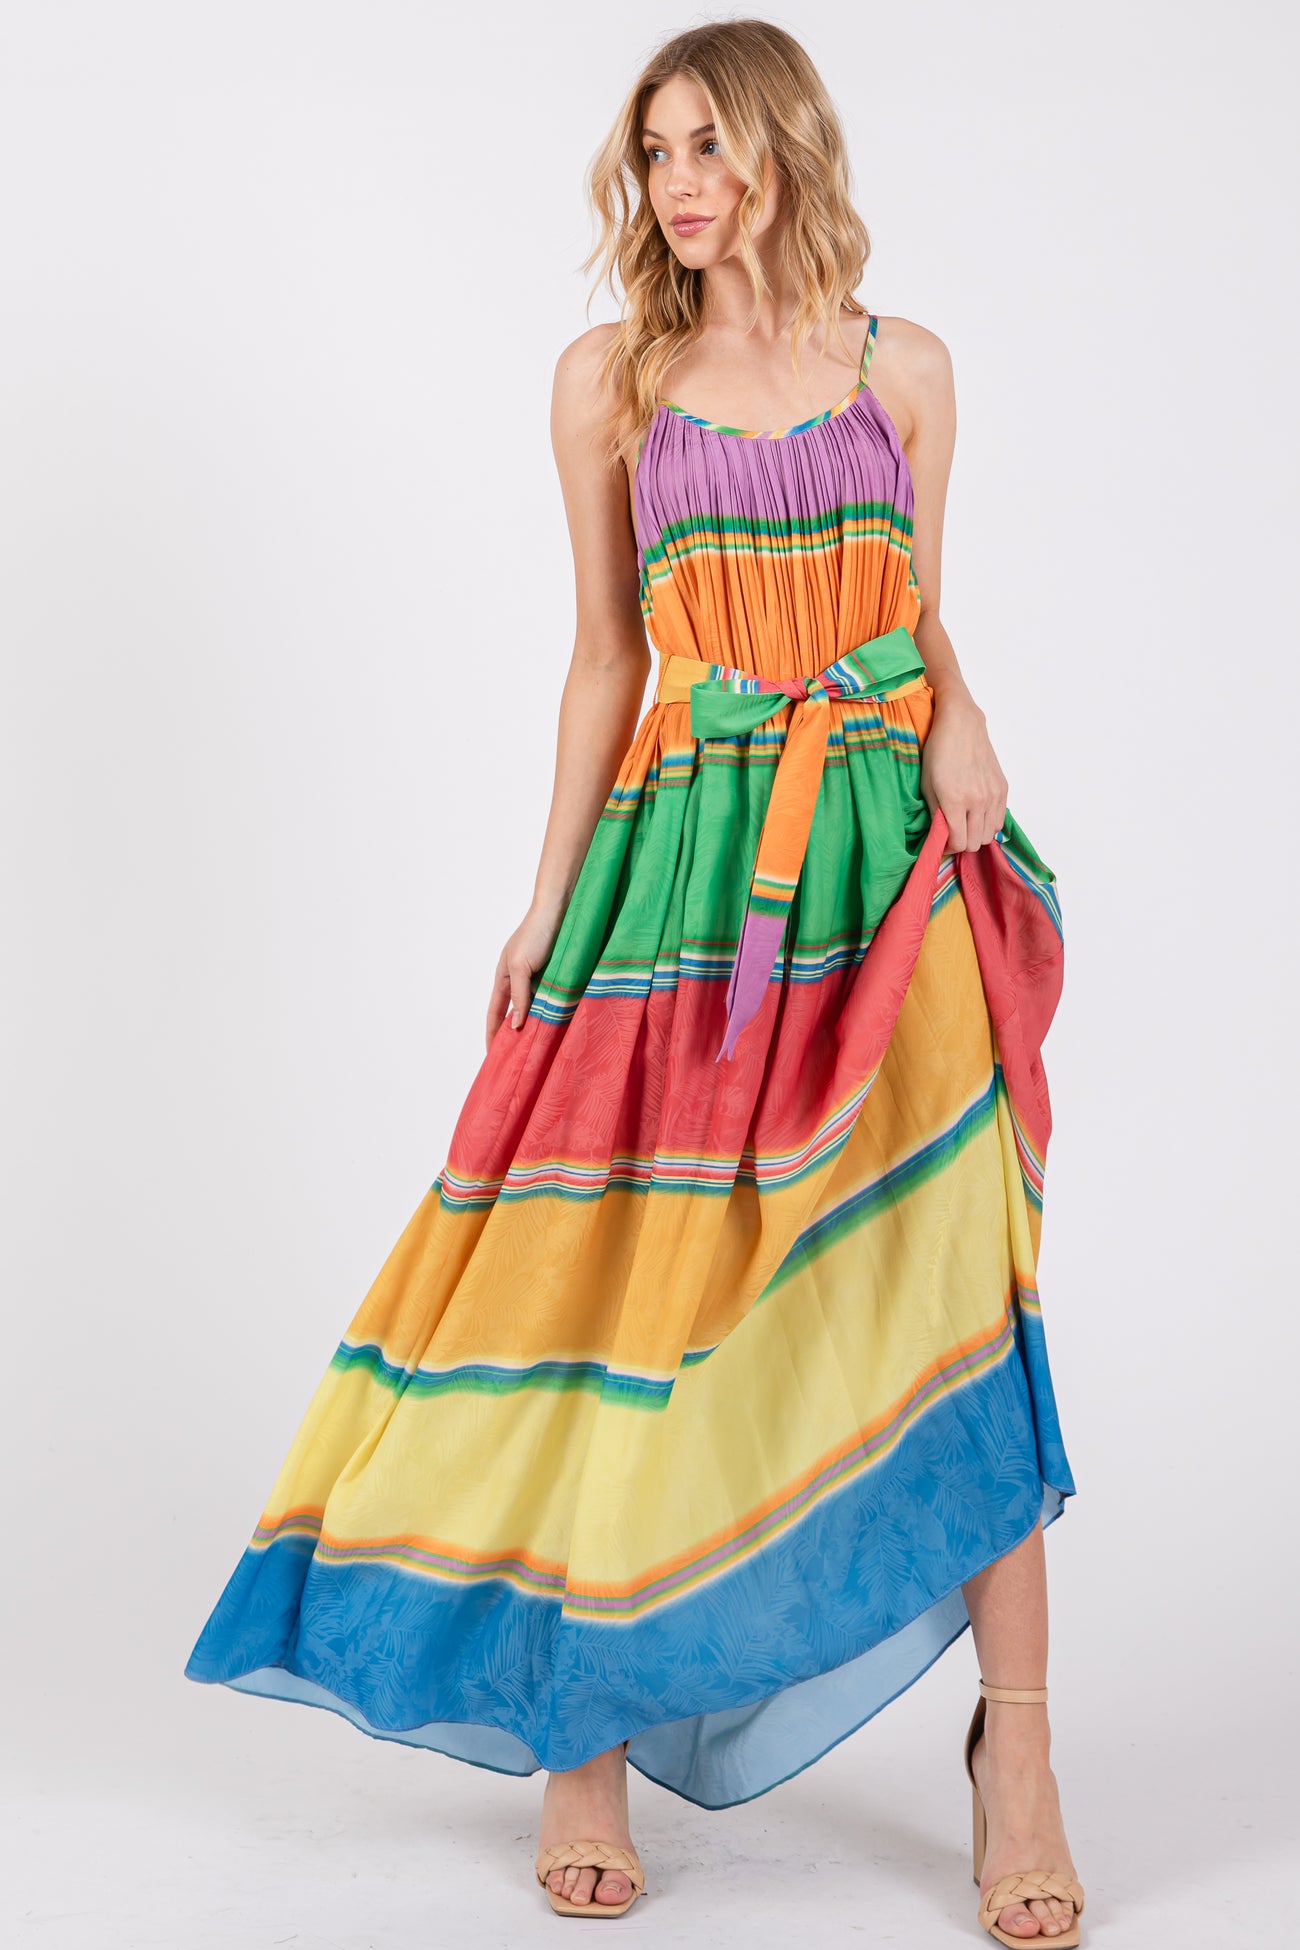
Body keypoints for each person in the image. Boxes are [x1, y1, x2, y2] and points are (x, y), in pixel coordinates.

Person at [185, 19, 1084, 1945]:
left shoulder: (905, 369)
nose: (680, 182)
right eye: (657, 149)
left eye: (712, 144)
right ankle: (576, 1728)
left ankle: (1017, 1750)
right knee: (615, 1278)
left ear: (785, 152)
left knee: (958, 1272)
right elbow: (607, 653)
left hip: (889, 862)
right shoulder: (611, 382)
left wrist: (965, 715)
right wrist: (543, 900)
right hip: (682, 870)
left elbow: (918, 617)